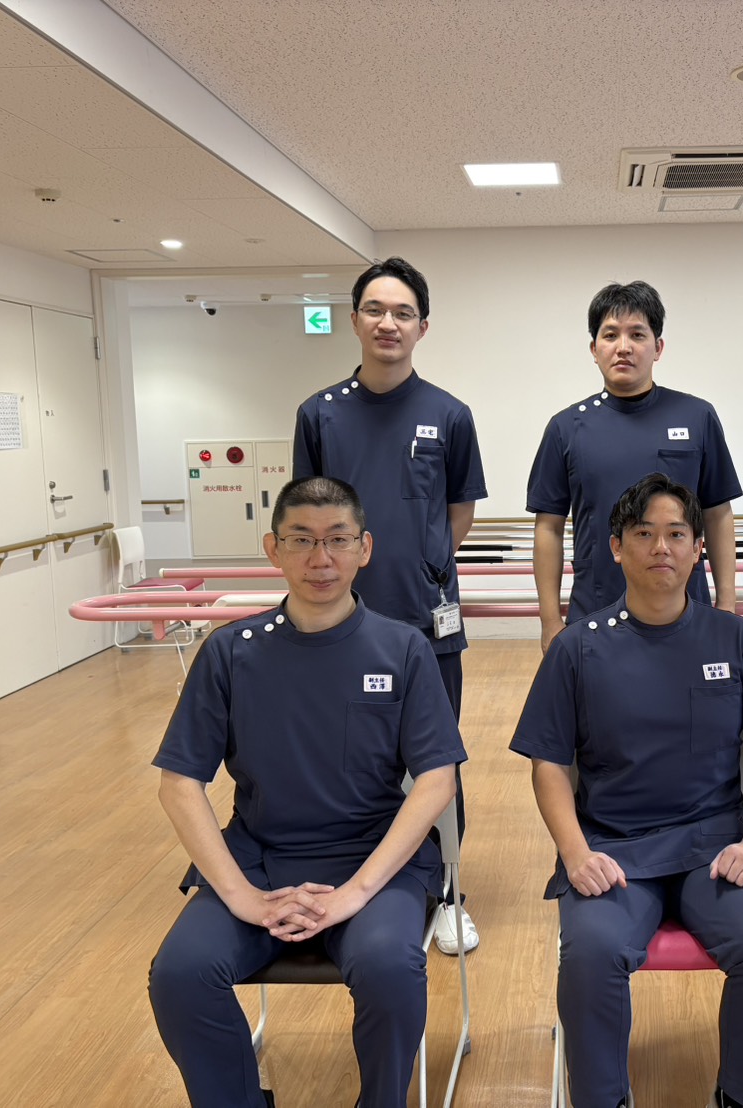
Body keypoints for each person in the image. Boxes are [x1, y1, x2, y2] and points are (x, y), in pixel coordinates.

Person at [148, 476, 466, 1108]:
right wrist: (243, 898)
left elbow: (437, 780)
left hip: (373, 865)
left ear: (364, 549)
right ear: (274, 549)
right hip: (260, 861)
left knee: (389, 968)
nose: (322, 559)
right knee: (181, 973)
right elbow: (179, 784)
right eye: (302, 540)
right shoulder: (230, 653)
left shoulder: (402, 648)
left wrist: (357, 892)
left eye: (338, 540)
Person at [511, 473, 743, 1108]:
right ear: (616, 547)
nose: (661, 548)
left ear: (699, 548)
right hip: (613, 850)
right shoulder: (578, 648)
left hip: (715, 848)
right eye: (644, 534)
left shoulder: (736, 639)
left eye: (676, 534)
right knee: (590, 958)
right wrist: (575, 854)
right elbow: (548, 765)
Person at [292, 256, 485, 955]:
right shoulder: (320, 413)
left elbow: (458, 512)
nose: (388, 323)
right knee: (344, 758)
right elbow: (308, 517)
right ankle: (357, 883)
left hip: (427, 625)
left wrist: (426, 565)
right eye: (375, 309)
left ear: (422, 327)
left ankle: (449, 892)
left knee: (438, 765)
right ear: (353, 320)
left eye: (403, 312)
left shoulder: (448, 415)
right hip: (337, 627)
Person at [527, 280, 742, 653]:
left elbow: (718, 513)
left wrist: (726, 604)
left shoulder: (697, 416)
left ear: (658, 348)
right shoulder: (567, 428)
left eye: (637, 334)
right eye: (610, 335)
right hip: (595, 614)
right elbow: (549, 527)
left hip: (686, 613)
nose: (623, 347)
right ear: (594, 349)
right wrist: (550, 620)